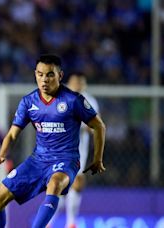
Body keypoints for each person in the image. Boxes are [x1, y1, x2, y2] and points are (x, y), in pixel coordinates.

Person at [0, 54, 106, 228]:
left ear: (60, 76)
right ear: (35, 74)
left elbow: (99, 126)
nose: (44, 80)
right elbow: (12, 134)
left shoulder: (74, 100)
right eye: (40, 74)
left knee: (55, 183)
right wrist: (2, 155)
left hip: (66, 160)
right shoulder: (29, 102)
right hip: (38, 160)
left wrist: (97, 159)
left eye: (50, 74)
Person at [48, 72, 101, 228]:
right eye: (76, 82)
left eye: (82, 83)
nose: (79, 85)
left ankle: (71, 222)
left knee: (76, 183)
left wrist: (88, 127)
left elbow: (96, 126)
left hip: (79, 150)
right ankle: (49, 222)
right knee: (59, 186)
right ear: (69, 83)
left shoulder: (89, 101)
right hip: (59, 148)